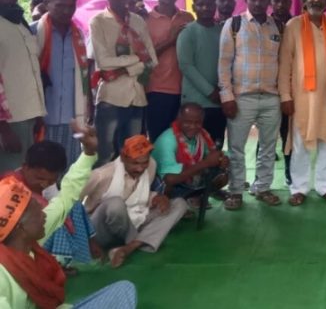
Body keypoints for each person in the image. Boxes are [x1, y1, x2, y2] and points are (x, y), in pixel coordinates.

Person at [0, 123, 138, 309]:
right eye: (37, 211)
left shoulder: (26, 241)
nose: (44, 213)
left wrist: (88, 153)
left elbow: (66, 196)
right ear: (20, 226)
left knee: (123, 290)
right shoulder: (2, 274)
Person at [278, 0, 326, 205]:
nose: (316, 0)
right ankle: (299, 188)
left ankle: (325, 186)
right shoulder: (294, 25)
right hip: (302, 97)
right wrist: (285, 96)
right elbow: (285, 64)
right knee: (300, 143)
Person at [218, 0, 282, 210]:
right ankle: (236, 191)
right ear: (246, 0)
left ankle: (262, 187)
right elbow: (224, 63)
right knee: (236, 148)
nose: (258, 3)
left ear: (269, 1)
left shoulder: (278, 26)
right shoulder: (234, 24)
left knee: (268, 147)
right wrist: (227, 96)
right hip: (241, 97)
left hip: (271, 98)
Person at [82, 134, 187, 268]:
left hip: (133, 221)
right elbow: (70, 204)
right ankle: (141, 239)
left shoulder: (151, 165)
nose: (140, 168)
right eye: (135, 163)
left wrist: (156, 197)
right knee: (115, 204)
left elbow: (138, 196)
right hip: (100, 230)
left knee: (179, 204)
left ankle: (129, 248)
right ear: (123, 157)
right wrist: (89, 240)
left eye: (144, 163)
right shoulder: (101, 175)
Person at [1, 140, 102, 275]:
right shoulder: (11, 184)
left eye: (51, 181)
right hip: (22, 249)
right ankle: (60, 263)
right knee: (58, 224)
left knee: (73, 207)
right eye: (40, 178)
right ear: (25, 167)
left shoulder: (45, 187)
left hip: (35, 242)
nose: (44, 184)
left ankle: (78, 259)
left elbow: (66, 197)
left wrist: (88, 155)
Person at [90, 0, 157, 166]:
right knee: (105, 154)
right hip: (111, 97)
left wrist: (126, 69)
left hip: (137, 97)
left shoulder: (137, 21)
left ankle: (127, 187)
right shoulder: (98, 21)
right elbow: (103, 62)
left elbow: (153, 60)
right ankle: (104, 187)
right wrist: (137, 59)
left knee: (133, 153)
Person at [31, 0, 91, 168]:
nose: (66, 11)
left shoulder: (79, 35)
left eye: (71, 6)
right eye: (60, 6)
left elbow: (84, 77)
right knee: (42, 169)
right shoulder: (33, 33)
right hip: (42, 116)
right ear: (47, 4)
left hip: (71, 117)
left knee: (69, 166)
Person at [0, 0, 46, 173]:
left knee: (23, 176)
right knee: (9, 180)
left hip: (28, 115)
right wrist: (3, 129)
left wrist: (38, 113)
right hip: (9, 122)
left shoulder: (19, 21)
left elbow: (30, 71)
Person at [144, 0, 194, 142]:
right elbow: (145, 56)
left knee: (181, 140)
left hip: (185, 89)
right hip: (157, 89)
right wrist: (171, 41)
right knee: (158, 139)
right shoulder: (146, 20)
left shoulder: (187, 18)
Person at [177, 0, 226, 148]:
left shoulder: (222, 31)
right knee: (194, 148)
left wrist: (223, 92)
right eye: (200, 4)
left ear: (215, 6)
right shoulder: (187, 32)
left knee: (215, 146)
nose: (205, 8)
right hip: (195, 102)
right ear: (193, 7)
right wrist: (210, 91)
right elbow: (186, 66)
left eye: (209, 4)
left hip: (218, 101)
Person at [151, 103, 229, 202]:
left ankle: (195, 198)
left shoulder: (201, 135)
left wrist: (221, 160)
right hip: (162, 185)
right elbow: (169, 179)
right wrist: (206, 163)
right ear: (179, 120)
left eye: (197, 122)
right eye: (187, 122)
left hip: (186, 178)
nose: (193, 126)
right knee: (169, 184)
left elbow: (210, 157)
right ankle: (172, 202)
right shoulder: (168, 140)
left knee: (222, 176)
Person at [268, 0, 293, 185]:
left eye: (285, 1)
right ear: (271, 2)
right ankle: (262, 178)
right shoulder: (264, 24)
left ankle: (289, 172)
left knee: (288, 132)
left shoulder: (297, 24)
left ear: (291, 2)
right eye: (277, 0)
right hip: (267, 87)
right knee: (266, 134)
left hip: (291, 88)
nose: (281, 4)